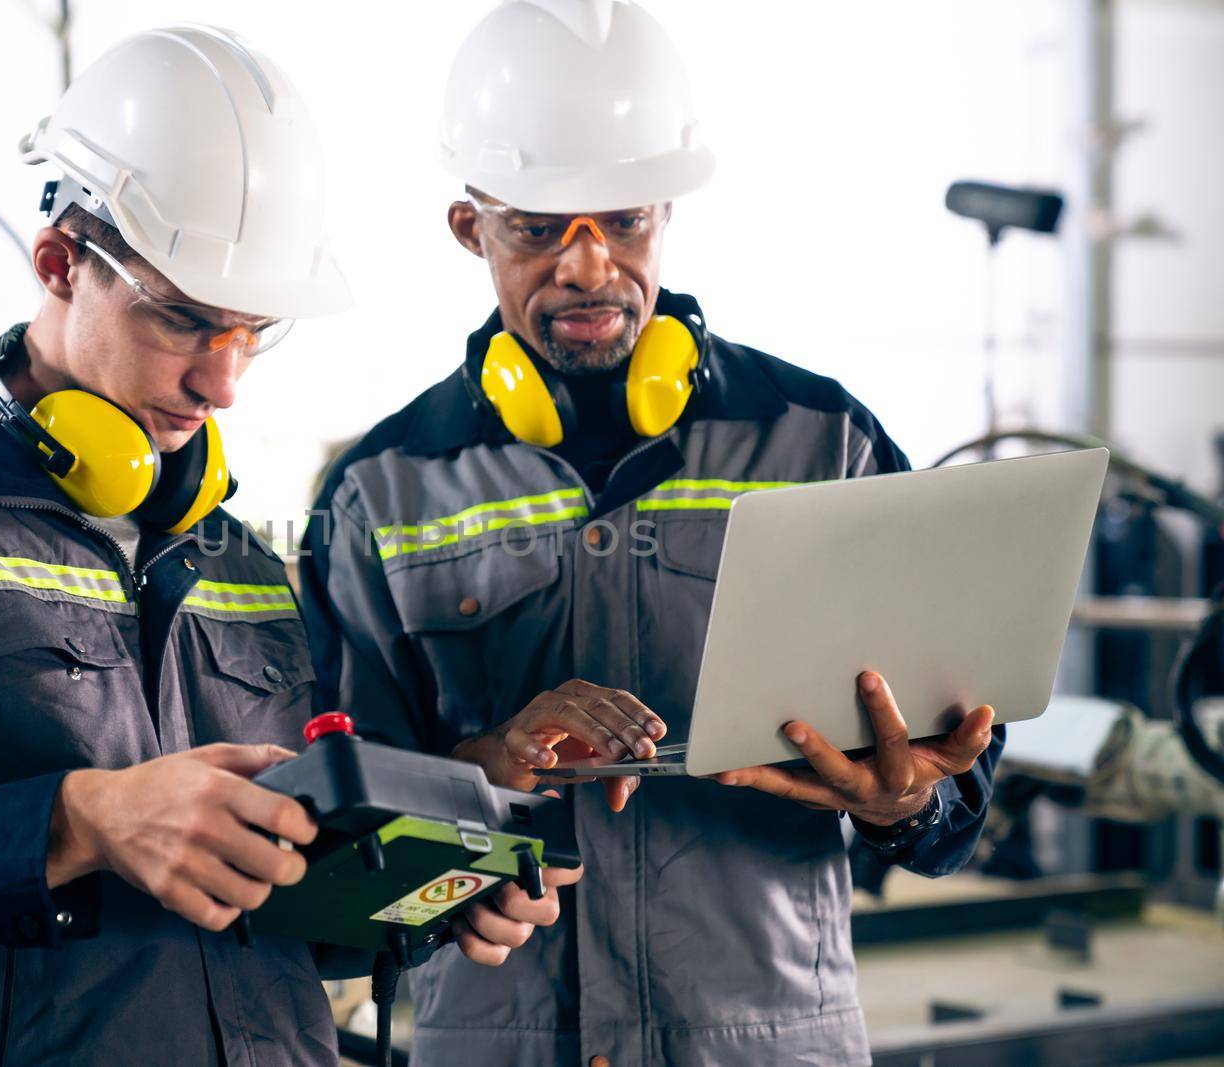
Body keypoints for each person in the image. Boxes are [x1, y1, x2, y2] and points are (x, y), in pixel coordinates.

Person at [0, 25, 564, 1067]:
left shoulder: (240, 557)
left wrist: (424, 902)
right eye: (185, 320)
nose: (225, 382)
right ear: (60, 263)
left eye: (254, 331)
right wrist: (77, 820)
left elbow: (283, 914)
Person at [299, 2, 1003, 1064]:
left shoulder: (823, 443)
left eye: (624, 222)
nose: (588, 269)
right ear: (468, 226)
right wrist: (489, 763)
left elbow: (956, 792)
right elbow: (336, 863)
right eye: (539, 229)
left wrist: (914, 801)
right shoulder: (379, 491)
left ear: (666, 208)